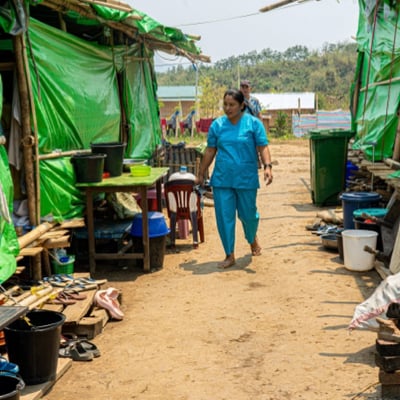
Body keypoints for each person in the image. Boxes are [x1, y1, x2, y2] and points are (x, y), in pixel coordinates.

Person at [196, 89, 273, 269]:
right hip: (222, 179)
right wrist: (201, 173)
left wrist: (268, 167)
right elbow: (210, 150)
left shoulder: (253, 124)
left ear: (242, 106)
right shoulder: (217, 125)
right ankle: (229, 254)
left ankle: (251, 237)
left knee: (248, 215)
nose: (228, 108)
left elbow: (263, 147)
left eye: (232, 105)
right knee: (224, 217)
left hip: (246, 178)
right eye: (225, 104)